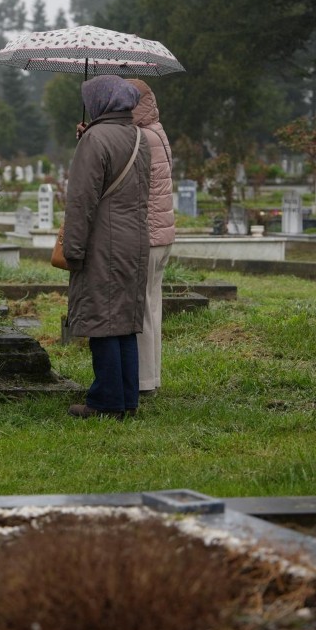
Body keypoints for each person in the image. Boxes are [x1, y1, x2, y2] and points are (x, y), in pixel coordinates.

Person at [61, 75, 151, 419]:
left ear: (101, 103)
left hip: (103, 241)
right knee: (124, 322)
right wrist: (89, 138)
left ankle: (105, 401)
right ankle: (127, 398)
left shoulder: (95, 139)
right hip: (134, 241)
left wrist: (73, 249)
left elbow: (81, 201)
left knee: (101, 319)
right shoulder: (139, 136)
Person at [126, 78, 176, 399]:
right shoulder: (157, 130)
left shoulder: (141, 137)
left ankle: (143, 381)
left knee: (141, 310)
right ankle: (153, 376)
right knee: (152, 306)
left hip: (148, 234)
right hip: (163, 234)